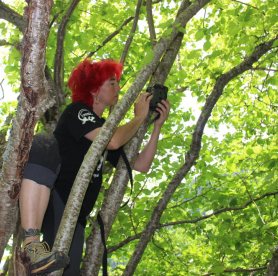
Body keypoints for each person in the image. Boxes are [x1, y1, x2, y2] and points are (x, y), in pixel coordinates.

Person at [19, 59, 170, 275]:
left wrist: (156, 127)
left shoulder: (106, 128)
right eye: (112, 83)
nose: (118, 88)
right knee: (44, 141)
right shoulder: (77, 111)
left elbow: (141, 164)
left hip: (76, 216)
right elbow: (112, 141)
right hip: (54, 198)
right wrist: (139, 117)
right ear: (94, 90)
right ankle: (31, 245)